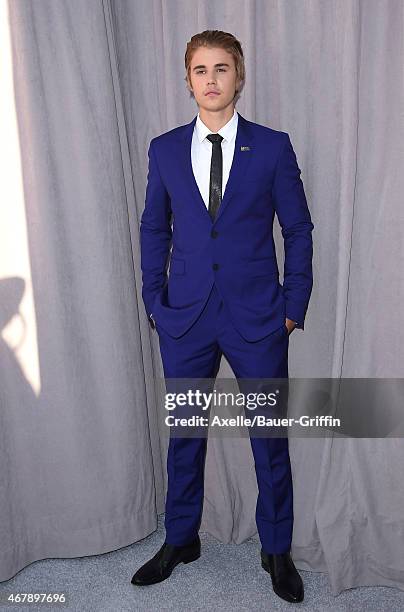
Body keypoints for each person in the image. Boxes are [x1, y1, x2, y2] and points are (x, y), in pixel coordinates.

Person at [132, 30, 314, 604]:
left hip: (258, 317)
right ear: (187, 80)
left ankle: (276, 548)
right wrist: (154, 301)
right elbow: (154, 227)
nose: (211, 80)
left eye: (222, 69)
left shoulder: (273, 147)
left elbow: (298, 230)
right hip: (184, 317)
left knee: (269, 436)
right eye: (201, 70)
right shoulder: (164, 149)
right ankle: (181, 538)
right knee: (185, 434)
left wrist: (292, 306)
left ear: (239, 77)